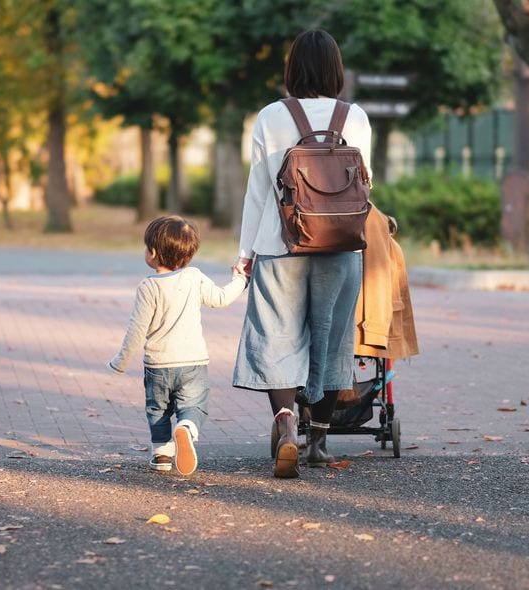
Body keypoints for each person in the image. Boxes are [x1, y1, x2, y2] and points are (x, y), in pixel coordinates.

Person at [232, 29, 372, 478]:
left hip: (279, 243)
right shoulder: (356, 118)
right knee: (332, 340)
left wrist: (246, 251)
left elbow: (257, 190)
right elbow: (365, 187)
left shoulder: (271, 117)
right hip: (340, 243)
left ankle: (286, 422)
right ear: (337, 70)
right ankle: (319, 443)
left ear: (292, 69)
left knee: (277, 334)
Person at [109, 215, 247, 476]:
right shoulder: (194, 277)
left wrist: (121, 360)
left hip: (159, 364)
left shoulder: (148, 287)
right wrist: (240, 279)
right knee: (193, 405)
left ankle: (161, 454)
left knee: (157, 409)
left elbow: (137, 330)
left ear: (152, 253)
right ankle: (187, 427)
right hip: (193, 362)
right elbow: (220, 298)